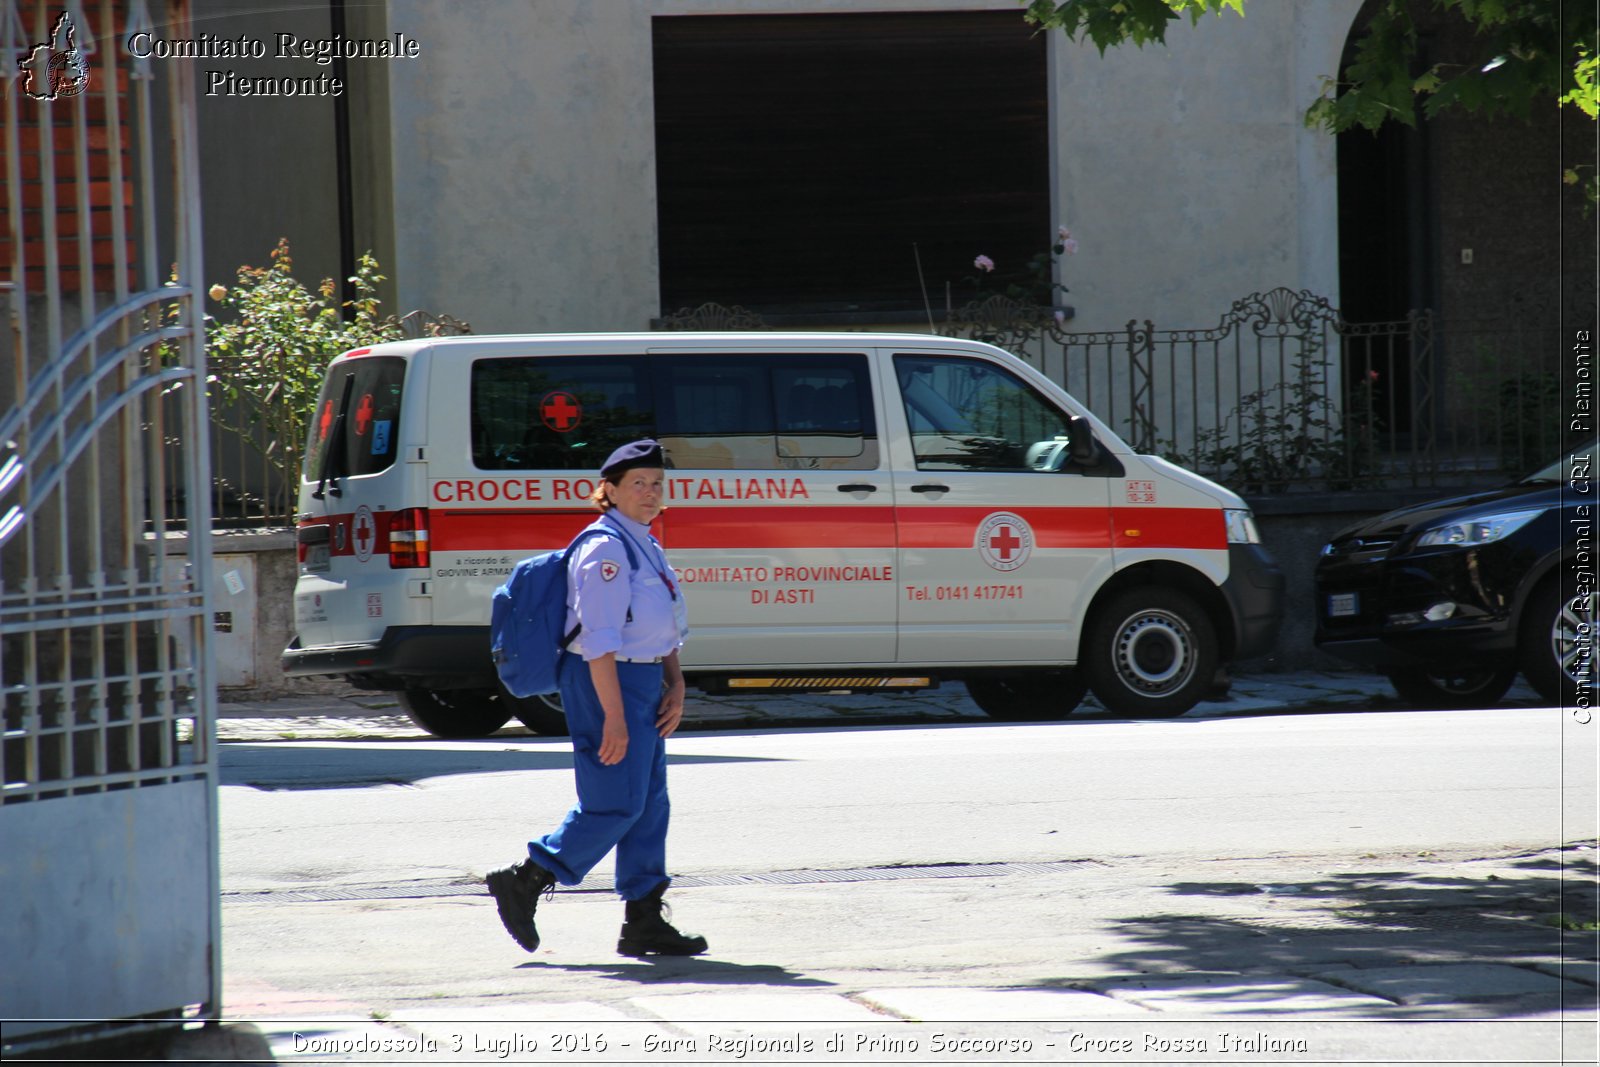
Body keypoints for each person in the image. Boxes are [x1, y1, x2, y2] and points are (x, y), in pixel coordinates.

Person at [485, 439, 707, 957]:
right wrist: (614, 717)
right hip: (605, 682)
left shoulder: (643, 542)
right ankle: (527, 878)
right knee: (615, 802)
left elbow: (662, 626)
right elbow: (599, 640)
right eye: (638, 484)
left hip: (644, 680)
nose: (650, 493)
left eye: (656, 483)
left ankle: (644, 919)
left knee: (649, 805)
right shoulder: (605, 548)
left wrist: (674, 682)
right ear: (607, 490)